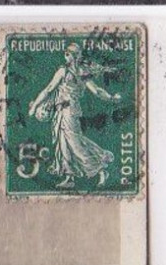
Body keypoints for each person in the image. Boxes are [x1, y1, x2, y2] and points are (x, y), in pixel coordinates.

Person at [28, 42, 122, 189]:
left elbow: (96, 90)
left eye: (68, 54)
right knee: (64, 144)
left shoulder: (78, 73)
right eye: (66, 53)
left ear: (75, 56)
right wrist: (35, 105)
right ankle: (69, 177)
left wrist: (111, 98)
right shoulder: (69, 71)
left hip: (70, 112)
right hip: (60, 112)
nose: (66, 56)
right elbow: (49, 90)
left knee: (75, 144)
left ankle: (100, 170)